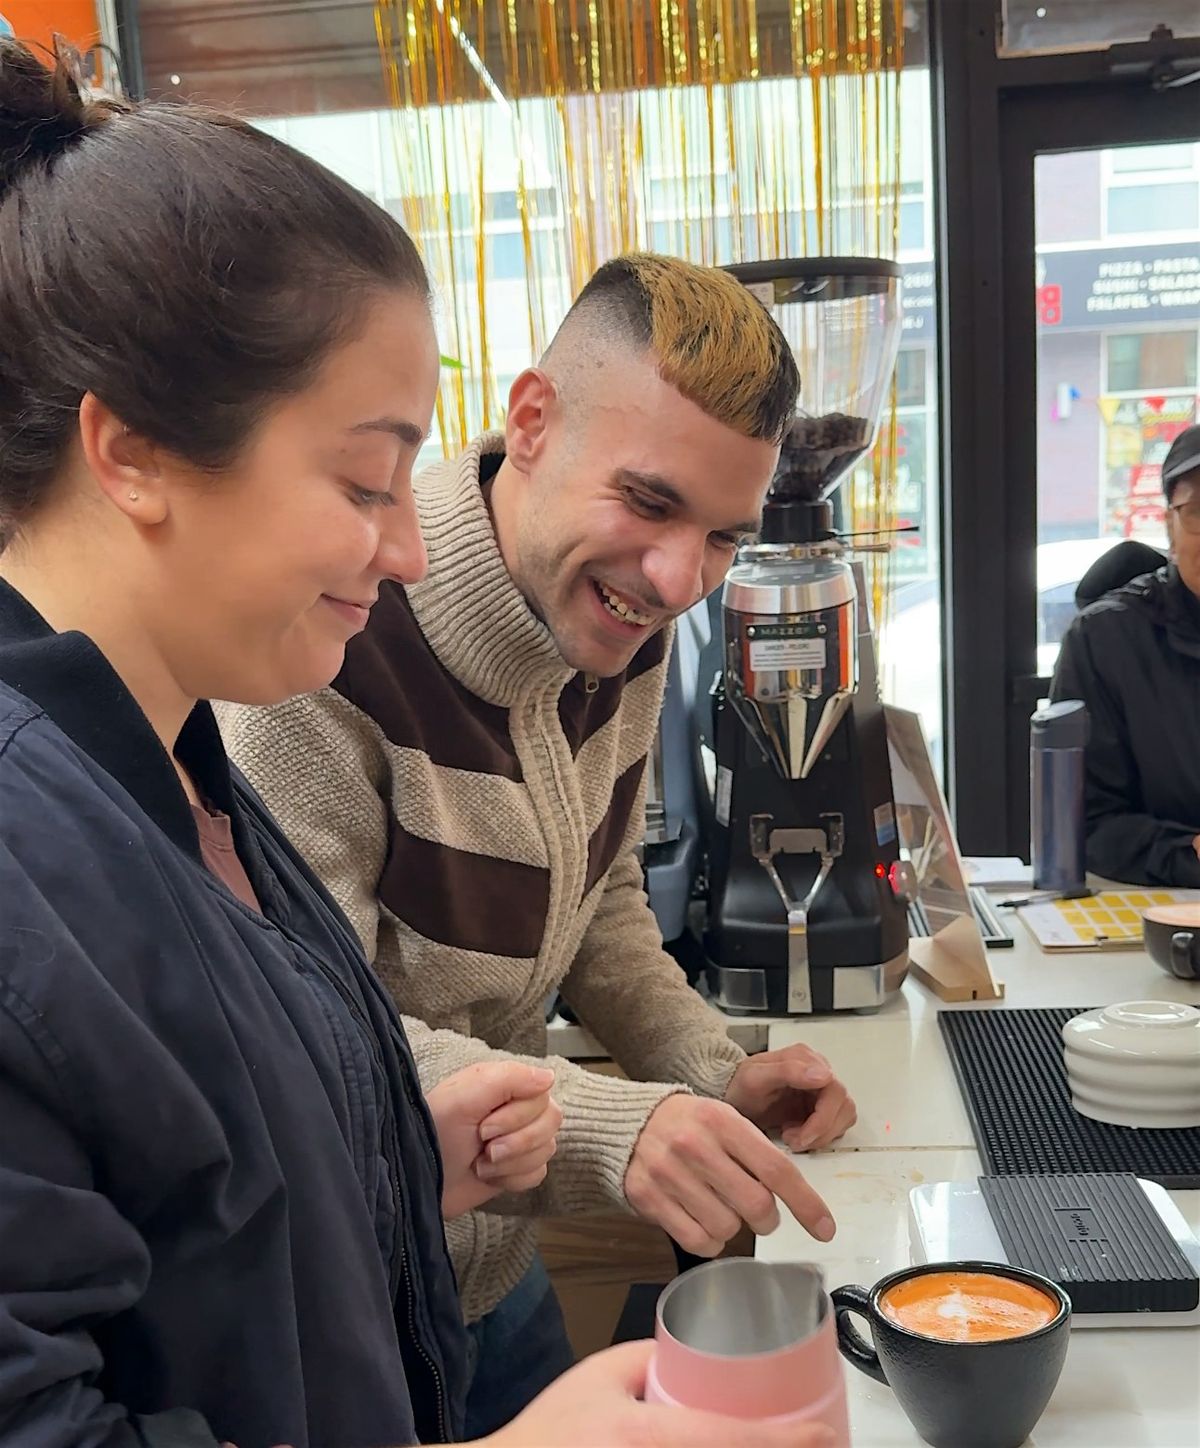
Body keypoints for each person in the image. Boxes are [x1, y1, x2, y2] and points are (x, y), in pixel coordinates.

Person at [0, 38, 837, 1448]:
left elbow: (219, 1176)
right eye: (363, 480)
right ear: (131, 453)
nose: (402, 547)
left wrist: (383, 1157)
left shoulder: (182, 758)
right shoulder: (93, 817)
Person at [222, 253, 857, 1435]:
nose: (679, 578)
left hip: (500, 1263)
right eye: (650, 501)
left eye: (722, 535)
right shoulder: (326, 646)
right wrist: (616, 1126)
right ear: (531, 421)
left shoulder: (622, 615)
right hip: (351, 1296)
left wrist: (711, 1068)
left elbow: (598, 895)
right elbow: (313, 1034)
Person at [1051, 424, 1200, 886]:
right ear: (1170, 528)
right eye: (1199, 511)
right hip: (1160, 906)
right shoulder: (1104, 641)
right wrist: (1187, 852)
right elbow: (1085, 823)